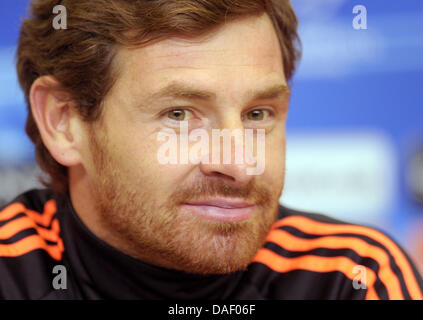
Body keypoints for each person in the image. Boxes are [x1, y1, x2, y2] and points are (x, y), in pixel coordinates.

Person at [0, 0, 421, 300]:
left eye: (258, 114)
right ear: (63, 121)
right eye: (180, 115)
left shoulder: (350, 277)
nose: (240, 164)